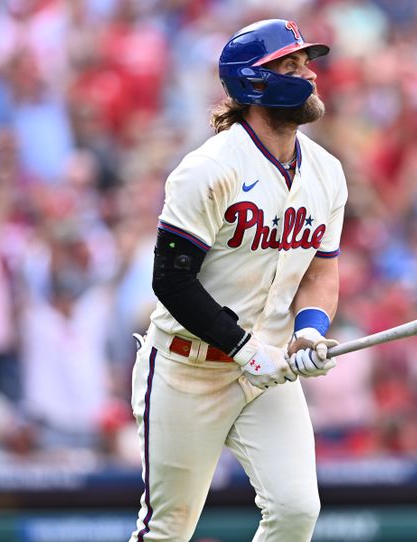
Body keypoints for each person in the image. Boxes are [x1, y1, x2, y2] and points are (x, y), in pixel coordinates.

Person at [129, 19, 347, 542]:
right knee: (168, 530)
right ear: (254, 82)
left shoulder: (327, 172)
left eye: (306, 63)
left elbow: (320, 271)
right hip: (188, 367)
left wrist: (311, 329)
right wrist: (244, 347)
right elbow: (171, 282)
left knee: (296, 511)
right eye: (291, 66)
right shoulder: (207, 169)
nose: (309, 75)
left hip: (267, 368)